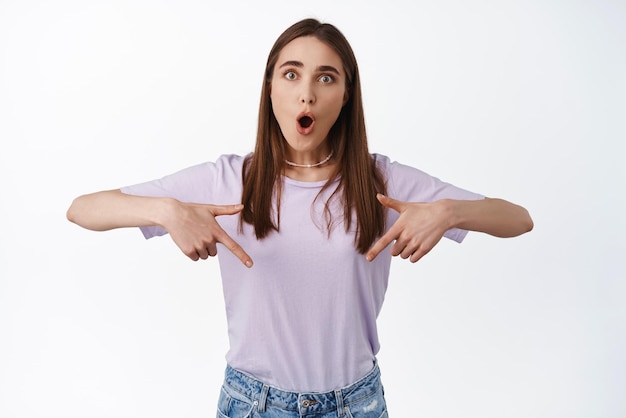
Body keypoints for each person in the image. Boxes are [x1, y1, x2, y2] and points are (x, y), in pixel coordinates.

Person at [67, 18, 533, 418]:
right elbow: (83, 209)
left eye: (326, 78)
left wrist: (448, 212)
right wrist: (165, 210)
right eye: (291, 75)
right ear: (270, 87)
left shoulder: (382, 181)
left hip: (357, 404)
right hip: (252, 403)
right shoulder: (230, 179)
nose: (306, 94)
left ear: (347, 94)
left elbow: (518, 219)